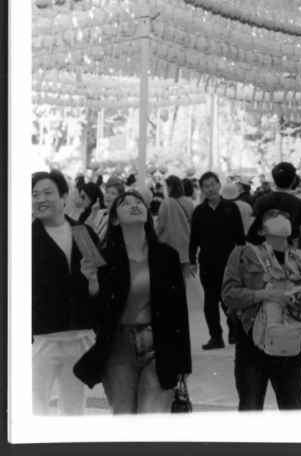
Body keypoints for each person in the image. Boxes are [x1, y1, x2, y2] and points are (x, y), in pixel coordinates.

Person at [73, 189, 192, 414]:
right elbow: (97, 317)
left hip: (159, 345)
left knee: (152, 421)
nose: (134, 204)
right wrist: (92, 285)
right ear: (115, 218)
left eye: (138, 202)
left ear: (147, 214)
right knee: (124, 418)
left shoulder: (167, 257)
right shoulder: (105, 259)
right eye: (125, 203)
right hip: (118, 347)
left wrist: (184, 362)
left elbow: (179, 311)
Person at [222, 208, 301, 411]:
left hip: (288, 342)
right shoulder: (243, 254)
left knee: (292, 408)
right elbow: (229, 294)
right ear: (260, 230)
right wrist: (265, 295)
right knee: (250, 407)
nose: (279, 219)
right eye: (272, 217)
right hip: (251, 340)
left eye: (284, 216)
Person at [31, 170, 98, 415]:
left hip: (80, 338)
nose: (40, 199)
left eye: (48, 193)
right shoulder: (25, 238)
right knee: (33, 410)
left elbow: (98, 287)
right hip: (41, 340)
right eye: (35, 194)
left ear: (63, 197)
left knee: (73, 411)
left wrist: (93, 283)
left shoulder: (84, 234)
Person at [189, 171, 245, 350]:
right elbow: (194, 238)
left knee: (227, 299)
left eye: (213, 184)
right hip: (207, 262)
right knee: (210, 301)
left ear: (219, 185)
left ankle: (234, 328)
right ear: (202, 189)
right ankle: (215, 336)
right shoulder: (199, 211)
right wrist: (191, 260)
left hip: (229, 263)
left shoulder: (231, 208)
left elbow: (240, 237)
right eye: (206, 186)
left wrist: (242, 259)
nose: (210, 188)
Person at [248, 162, 301, 253]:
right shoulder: (299, 203)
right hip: (291, 253)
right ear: (293, 180)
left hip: (266, 252)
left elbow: (250, 225)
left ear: (274, 180)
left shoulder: (262, 200)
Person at [155, 175, 194, 282]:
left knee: (170, 279)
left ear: (171, 187)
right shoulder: (189, 202)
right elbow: (193, 224)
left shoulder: (166, 202)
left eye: (166, 187)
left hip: (170, 246)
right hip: (185, 246)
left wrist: (154, 238)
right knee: (182, 280)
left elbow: (160, 225)